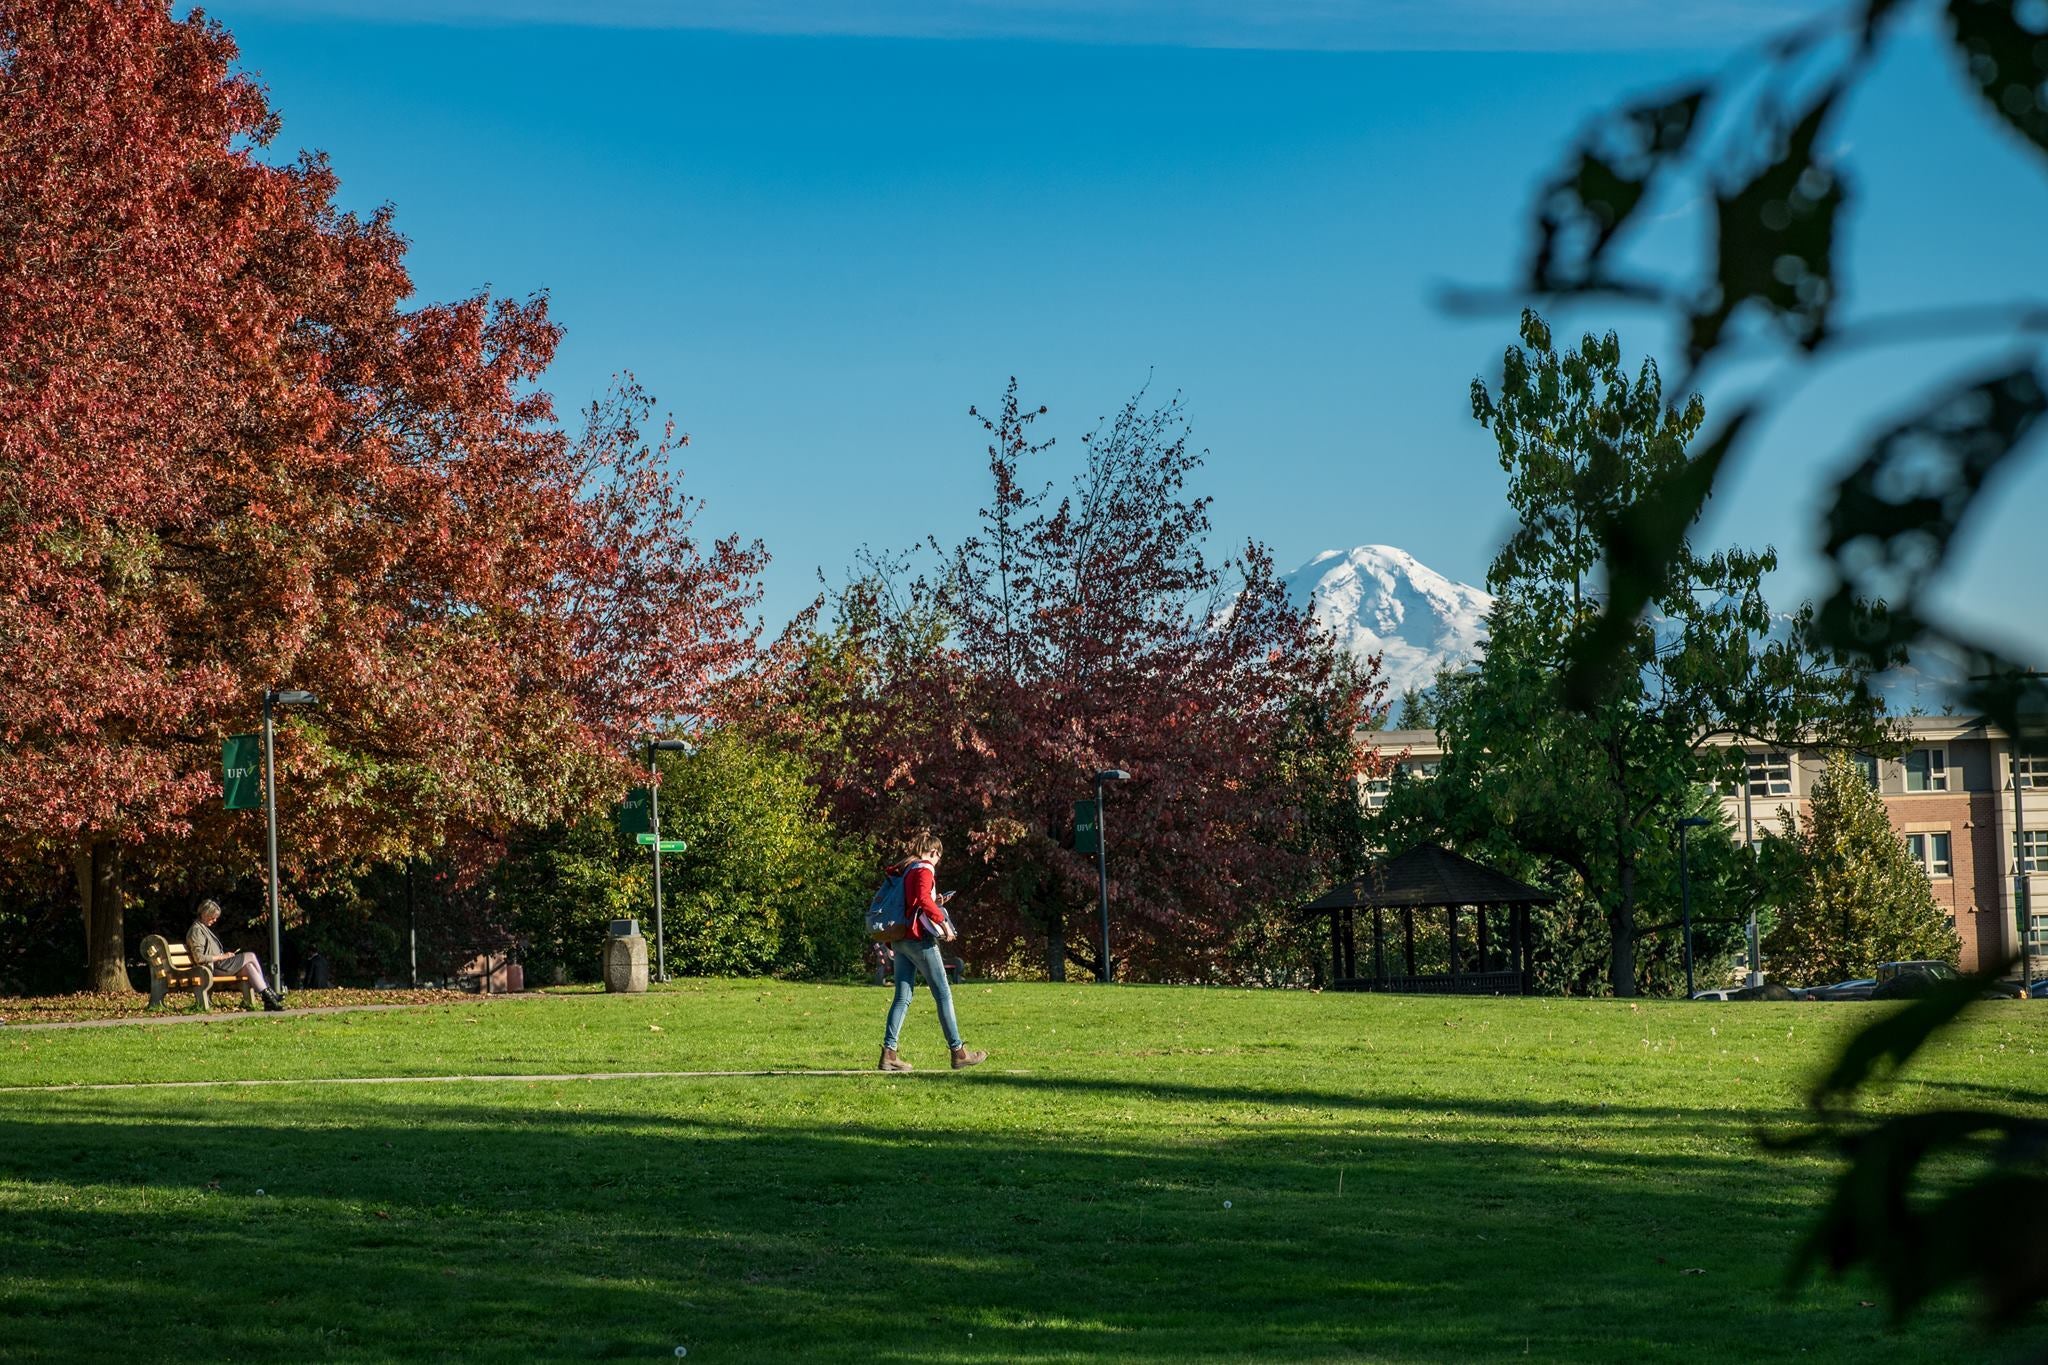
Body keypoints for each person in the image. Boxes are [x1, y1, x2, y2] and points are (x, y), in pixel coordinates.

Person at [878, 836, 985, 1072]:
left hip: (900, 938)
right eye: (939, 856)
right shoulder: (925, 868)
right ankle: (958, 1052)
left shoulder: (907, 869)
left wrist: (934, 901)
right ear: (934, 852)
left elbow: (915, 901)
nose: (938, 861)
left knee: (902, 997)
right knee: (943, 994)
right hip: (919, 939)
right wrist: (944, 924)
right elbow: (924, 900)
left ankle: (889, 1053)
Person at [186, 899, 286, 1011]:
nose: (215, 920)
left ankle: (269, 1000)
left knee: (249, 967)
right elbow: (199, 958)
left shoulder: (203, 928)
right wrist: (222, 956)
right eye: (212, 917)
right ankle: (270, 992)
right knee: (251, 956)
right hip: (212, 968)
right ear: (204, 914)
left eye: (216, 917)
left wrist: (224, 955)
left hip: (219, 966)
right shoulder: (197, 931)